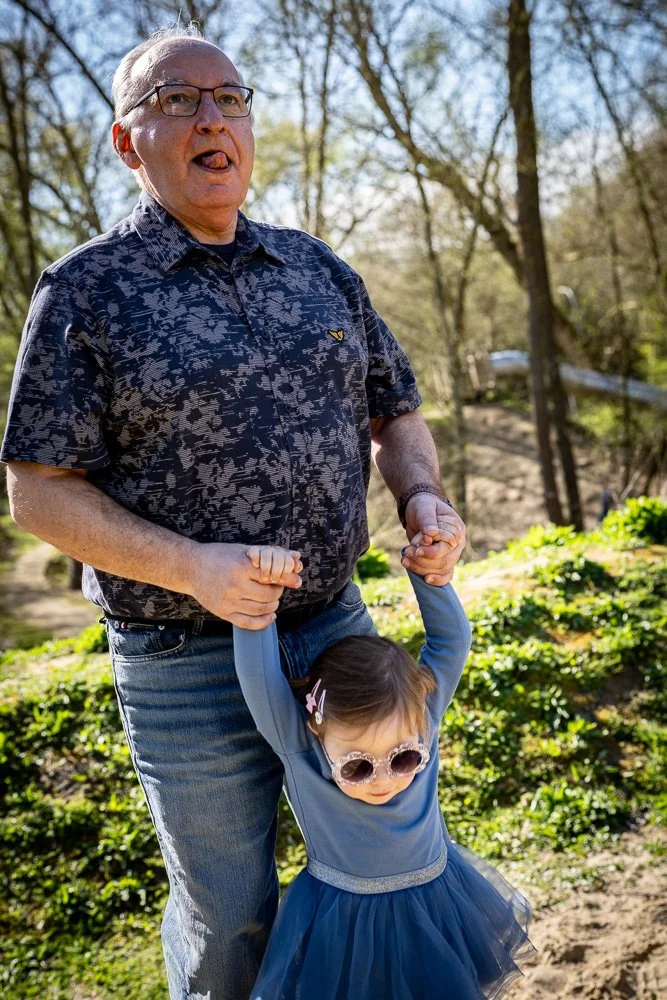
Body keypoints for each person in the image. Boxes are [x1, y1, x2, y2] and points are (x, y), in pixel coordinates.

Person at [0, 24, 467, 1000]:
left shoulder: (319, 268)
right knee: (232, 912)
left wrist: (421, 492)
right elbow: (39, 490)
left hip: (337, 627)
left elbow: (397, 410)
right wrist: (192, 567)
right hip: (184, 658)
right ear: (128, 142)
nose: (213, 118)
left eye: (230, 97)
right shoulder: (84, 291)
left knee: (379, 865)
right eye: (179, 100)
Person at [234, 543, 534, 1000]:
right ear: (317, 733)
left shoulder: (421, 719)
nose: (383, 778)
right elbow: (259, 680)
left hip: (436, 908)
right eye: (355, 766)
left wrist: (427, 573)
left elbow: (452, 643)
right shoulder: (300, 748)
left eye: (404, 758)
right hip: (341, 926)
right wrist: (258, 592)